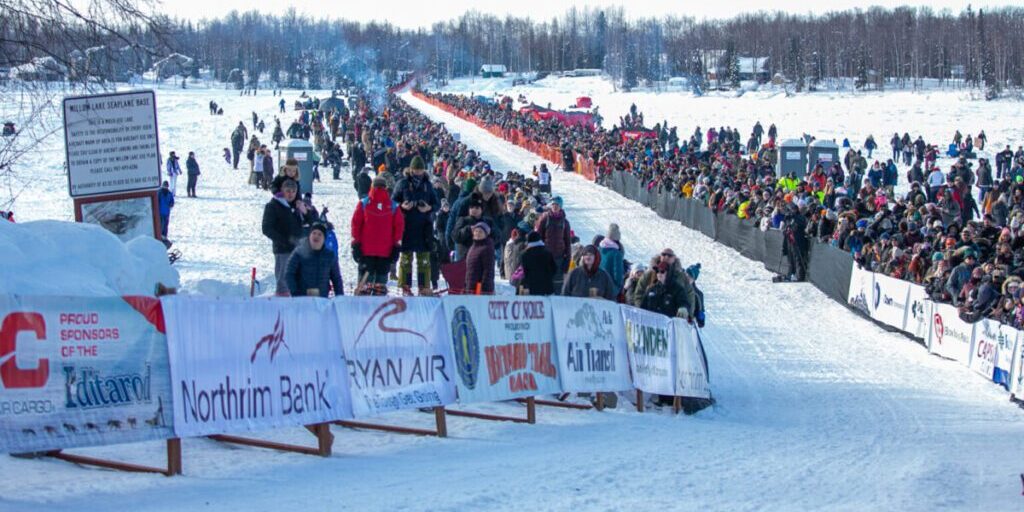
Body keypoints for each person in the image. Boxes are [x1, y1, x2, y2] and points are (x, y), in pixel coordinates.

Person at [391, 156, 439, 295]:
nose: (418, 173)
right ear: (411, 169)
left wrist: (429, 208)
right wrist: (402, 206)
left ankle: (424, 288)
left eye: (420, 170)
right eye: (416, 170)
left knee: (424, 260)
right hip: (406, 227)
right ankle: (405, 287)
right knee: (406, 260)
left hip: (424, 227)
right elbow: (392, 202)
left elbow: (437, 204)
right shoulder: (402, 183)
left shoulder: (428, 185)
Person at [351, 176, 404, 295]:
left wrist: (355, 244)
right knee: (380, 288)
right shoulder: (394, 206)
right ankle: (379, 310)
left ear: (372, 187)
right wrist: (396, 247)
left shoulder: (363, 204)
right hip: (385, 253)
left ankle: (362, 310)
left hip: (366, 252)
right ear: (386, 188)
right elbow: (399, 228)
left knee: (364, 288)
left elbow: (356, 225)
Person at [262, 179, 316, 295]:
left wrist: (305, 212)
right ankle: (283, 308)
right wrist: (284, 241)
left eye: (293, 191)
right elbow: (266, 228)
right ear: (282, 191)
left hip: (300, 250)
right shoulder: (273, 205)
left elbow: (314, 223)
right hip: (283, 250)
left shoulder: (299, 205)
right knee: (284, 283)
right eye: (288, 191)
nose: (291, 194)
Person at [285, 223, 344, 297]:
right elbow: (289, 274)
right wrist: (295, 293)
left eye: (320, 234)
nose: (316, 236)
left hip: (322, 300)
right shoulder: (299, 253)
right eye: (314, 233)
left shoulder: (330, 256)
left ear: (324, 239)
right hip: (302, 299)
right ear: (309, 236)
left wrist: (340, 297)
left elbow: (336, 278)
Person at [535, 196, 572, 290]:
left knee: (558, 284)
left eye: (557, 205)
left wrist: (567, 260)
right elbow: (537, 238)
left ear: (561, 207)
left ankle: (557, 302)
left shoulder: (565, 222)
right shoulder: (545, 219)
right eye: (553, 205)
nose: (555, 207)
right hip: (546, 256)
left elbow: (568, 243)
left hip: (559, 258)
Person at [518, 231, 557, 295]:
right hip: (547, 288)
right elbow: (554, 269)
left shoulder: (525, 255)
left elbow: (524, 272)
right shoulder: (547, 253)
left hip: (532, 288)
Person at [465, 221, 495, 294]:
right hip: (471, 285)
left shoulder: (487, 248)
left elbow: (488, 270)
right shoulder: (473, 247)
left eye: (480, 232)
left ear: (486, 234)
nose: (477, 233)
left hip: (481, 288)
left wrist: (484, 288)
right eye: (476, 231)